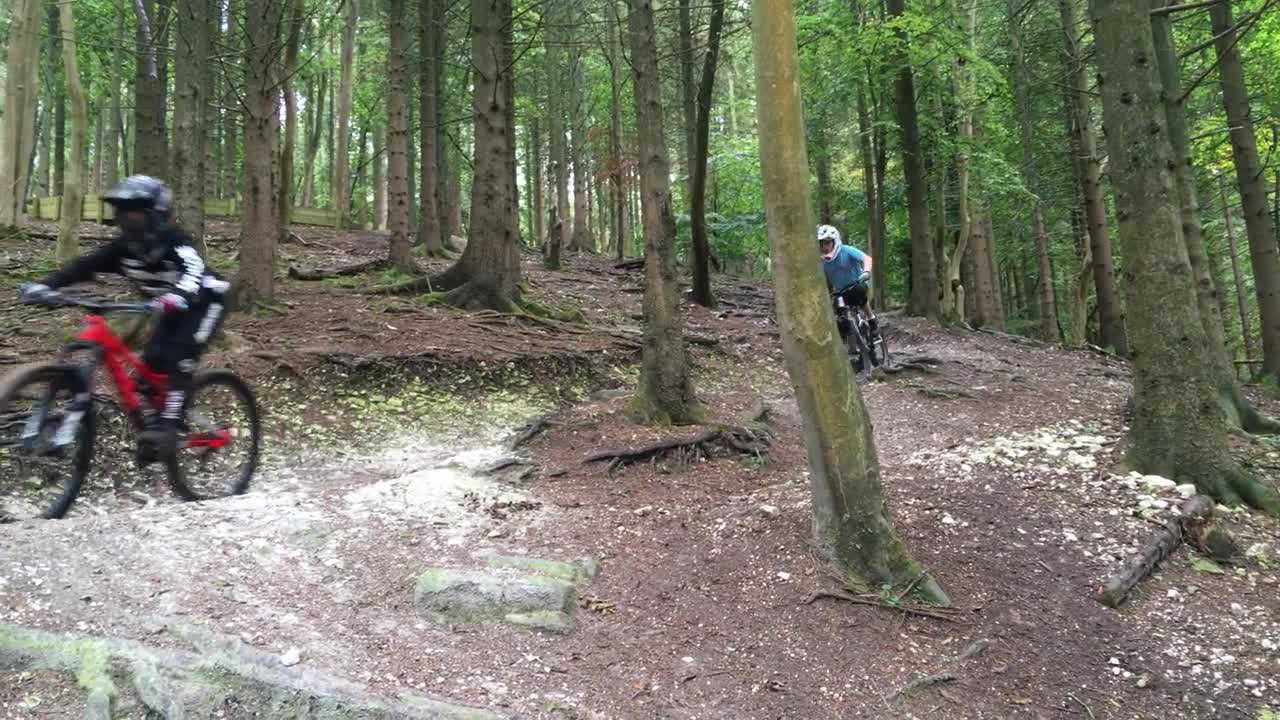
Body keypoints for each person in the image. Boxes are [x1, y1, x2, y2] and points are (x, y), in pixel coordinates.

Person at [19, 175, 229, 462]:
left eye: (134, 213)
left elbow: (194, 271)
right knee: (150, 371)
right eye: (122, 213)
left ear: (155, 215)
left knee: (180, 358)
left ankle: (168, 430)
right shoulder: (123, 249)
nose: (126, 220)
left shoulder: (176, 242)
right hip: (167, 308)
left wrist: (178, 294)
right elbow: (84, 265)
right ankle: (159, 424)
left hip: (205, 302)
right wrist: (47, 285)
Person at [818, 224, 874, 316]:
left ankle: (871, 317)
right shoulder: (822, 262)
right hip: (840, 292)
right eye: (821, 244)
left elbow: (866, 258)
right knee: (837, 310)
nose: (824, 247)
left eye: (827, 243)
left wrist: (866, 271)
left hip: (858, 283)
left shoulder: (846, 250)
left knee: (857, 293)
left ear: (835, 241)